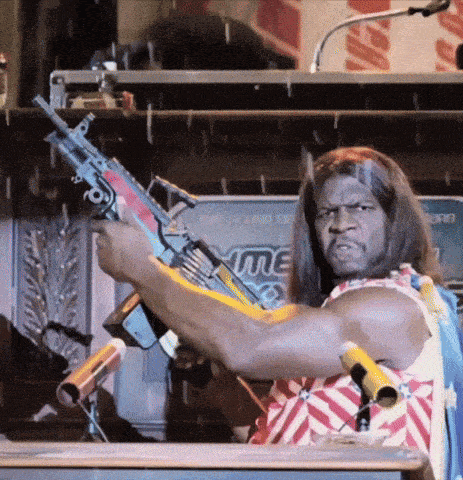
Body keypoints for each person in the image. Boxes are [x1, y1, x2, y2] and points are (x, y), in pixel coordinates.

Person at [92, 146, 459, 479]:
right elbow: (272, 438)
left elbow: (249, 346)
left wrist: (142, 269)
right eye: (327, 212)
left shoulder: (390, 307)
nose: (341, 223)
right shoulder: (343, 309)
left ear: (394, 220)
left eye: (361, 208)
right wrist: (217, 379)